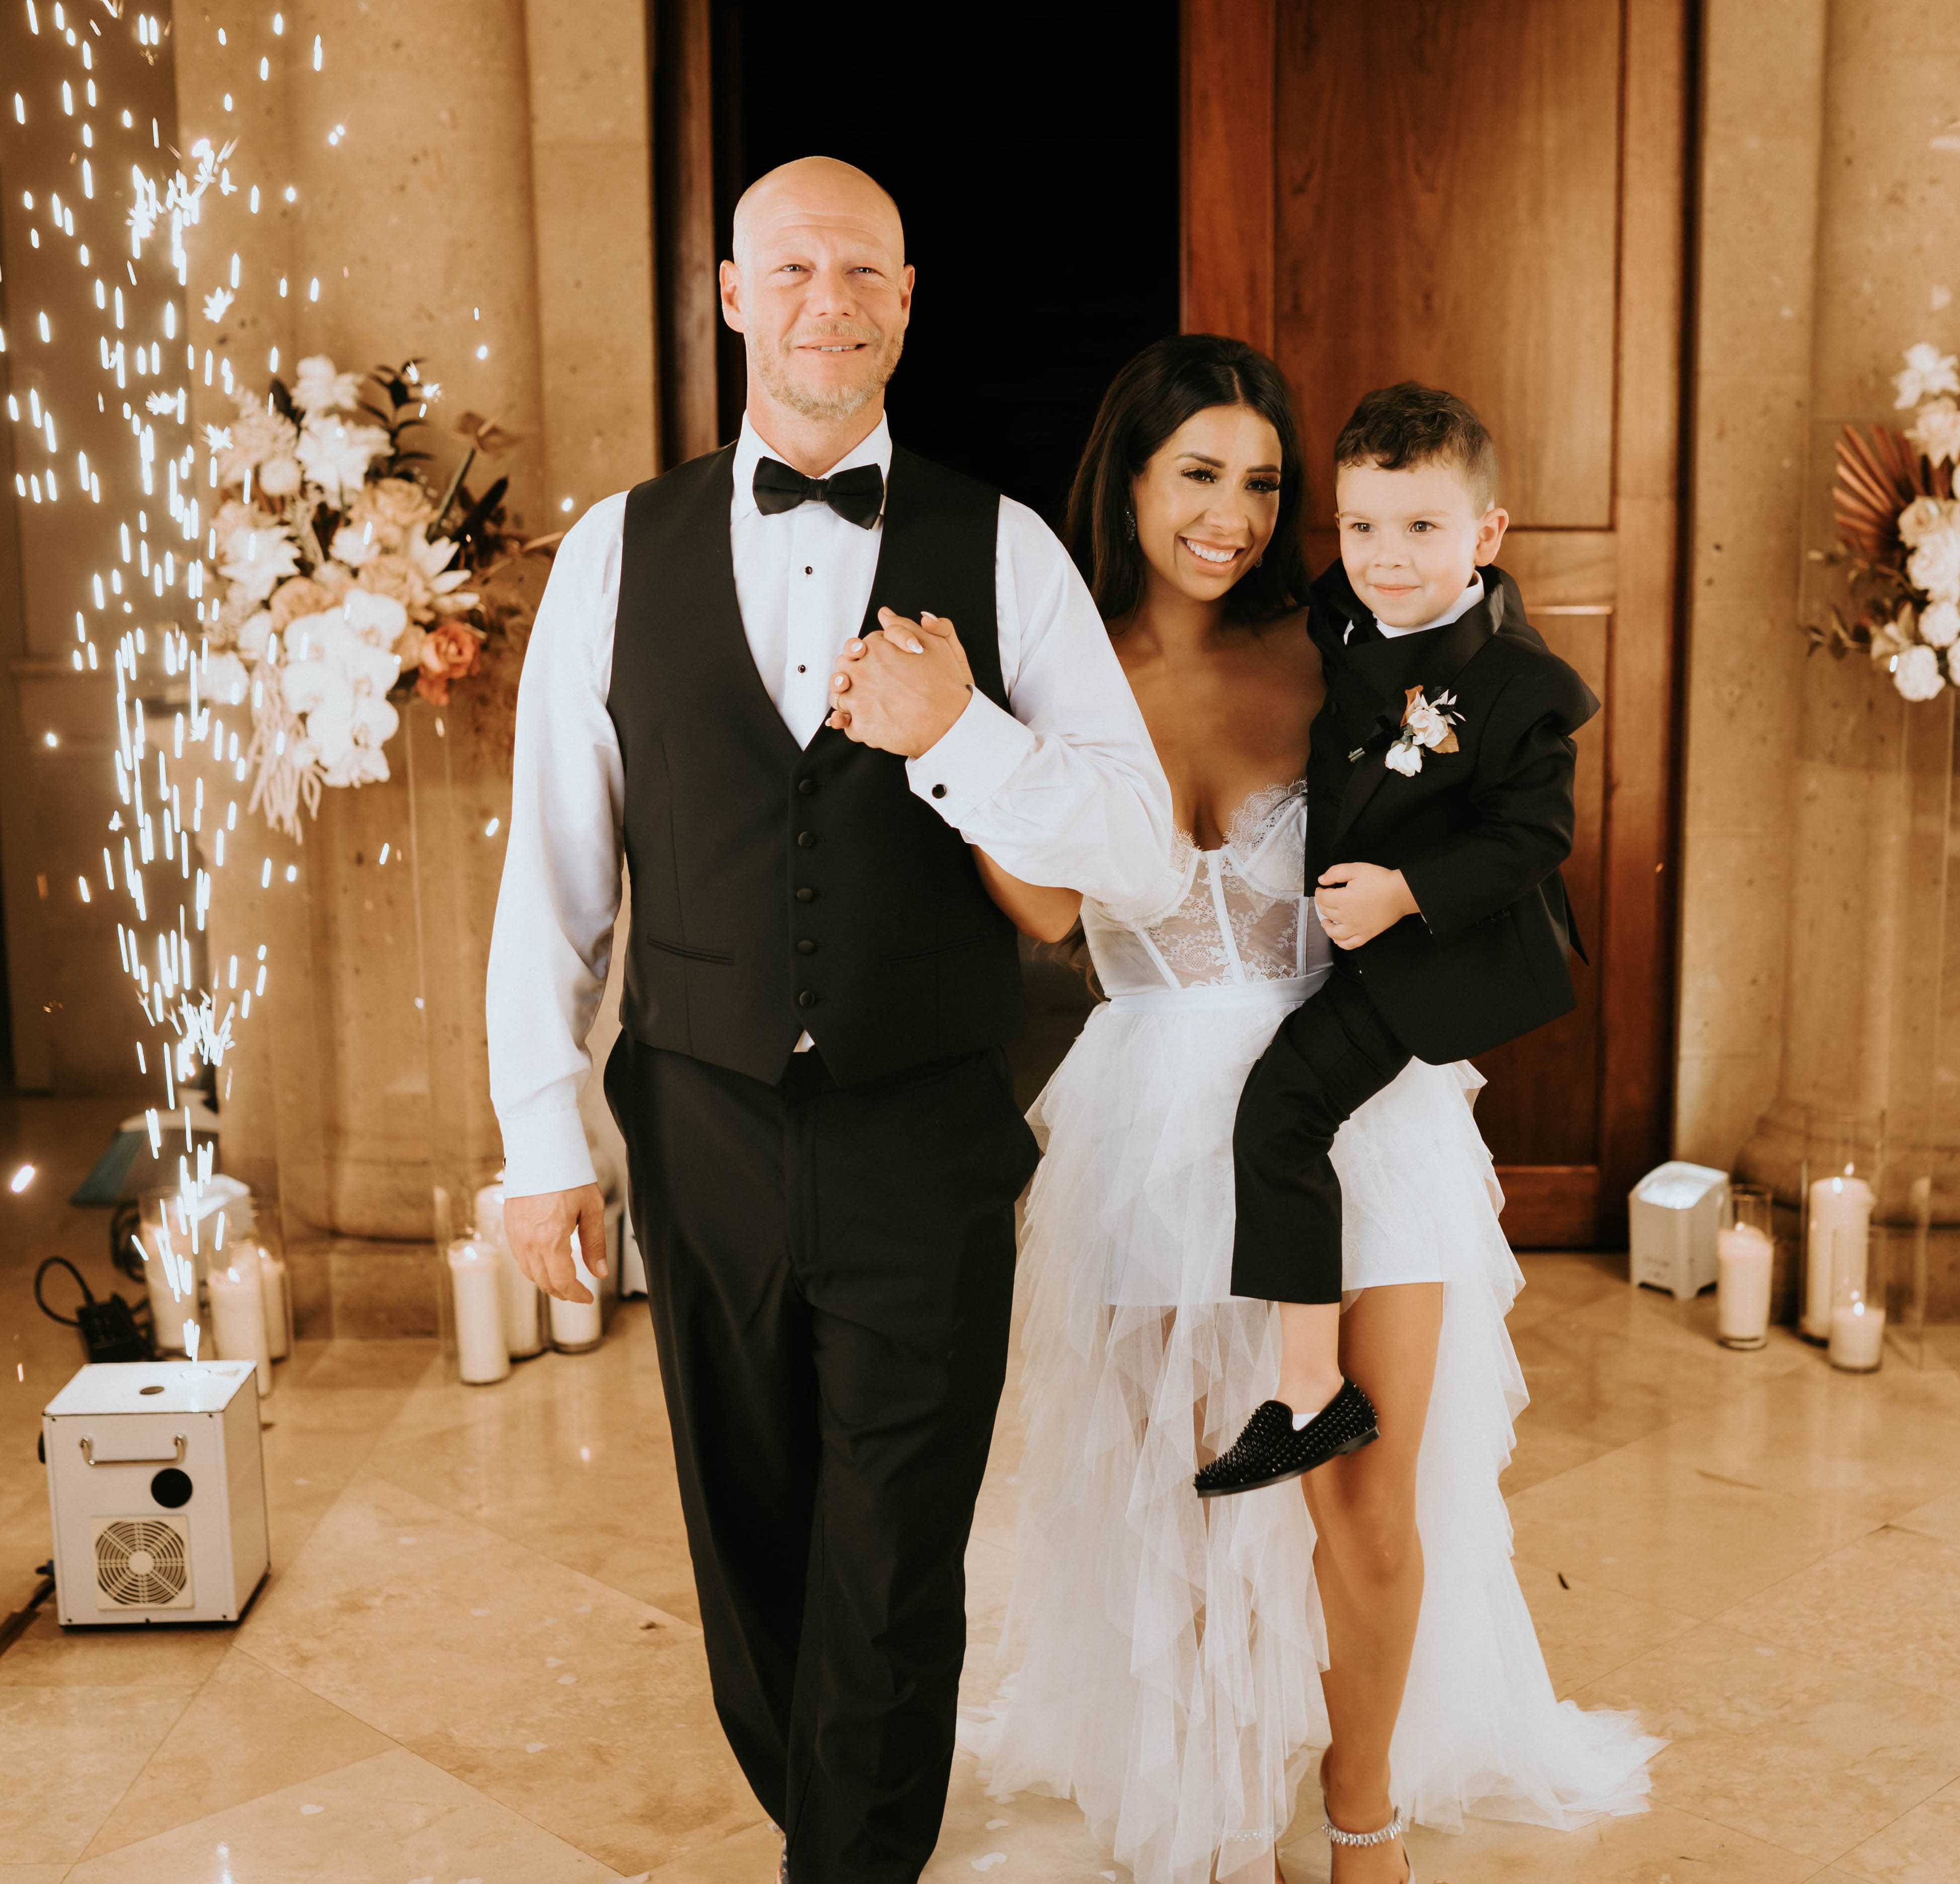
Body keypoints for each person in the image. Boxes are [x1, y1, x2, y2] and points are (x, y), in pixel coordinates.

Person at [483, 157, 1173, 1884]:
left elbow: (1137, 851)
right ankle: (837, 1825)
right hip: (699, 1126)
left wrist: (957, 734)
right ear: (732, 296)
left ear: (909, 301)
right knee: (756, 1544)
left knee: (893, 1546)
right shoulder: (611, 555)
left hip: (923, 1130)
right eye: (792, 268)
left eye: (863, 271)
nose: (829, 302)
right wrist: (542, 1139)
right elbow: (557, 875)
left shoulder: (1002, 546)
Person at [966, 337, 1659, 1884]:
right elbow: (1042, 912)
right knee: (1184, 1508)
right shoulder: (1060, 672)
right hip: (1147, 1126)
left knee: (1366, 1496)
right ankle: (1205, 1814)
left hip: (1355, 1094)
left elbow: (1492, 756)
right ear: (1129, 482)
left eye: (1261, 482)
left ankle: (1362, 1831)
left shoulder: (1338, 648)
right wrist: (960, 752)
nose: (1229, 513)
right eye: (1194, 474)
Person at [1196, 383, 1600, 1503]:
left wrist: (1405, 893)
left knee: (1282, 1108)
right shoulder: (1336, 609)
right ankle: (1306, 1380)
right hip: (1326, 938)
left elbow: (1534, 834)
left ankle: (1311, 1395)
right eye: (1362, 524)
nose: (1384, 555)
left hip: (1420, 956)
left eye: (1421, 527)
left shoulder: (1519, 687)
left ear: (1486, 534)